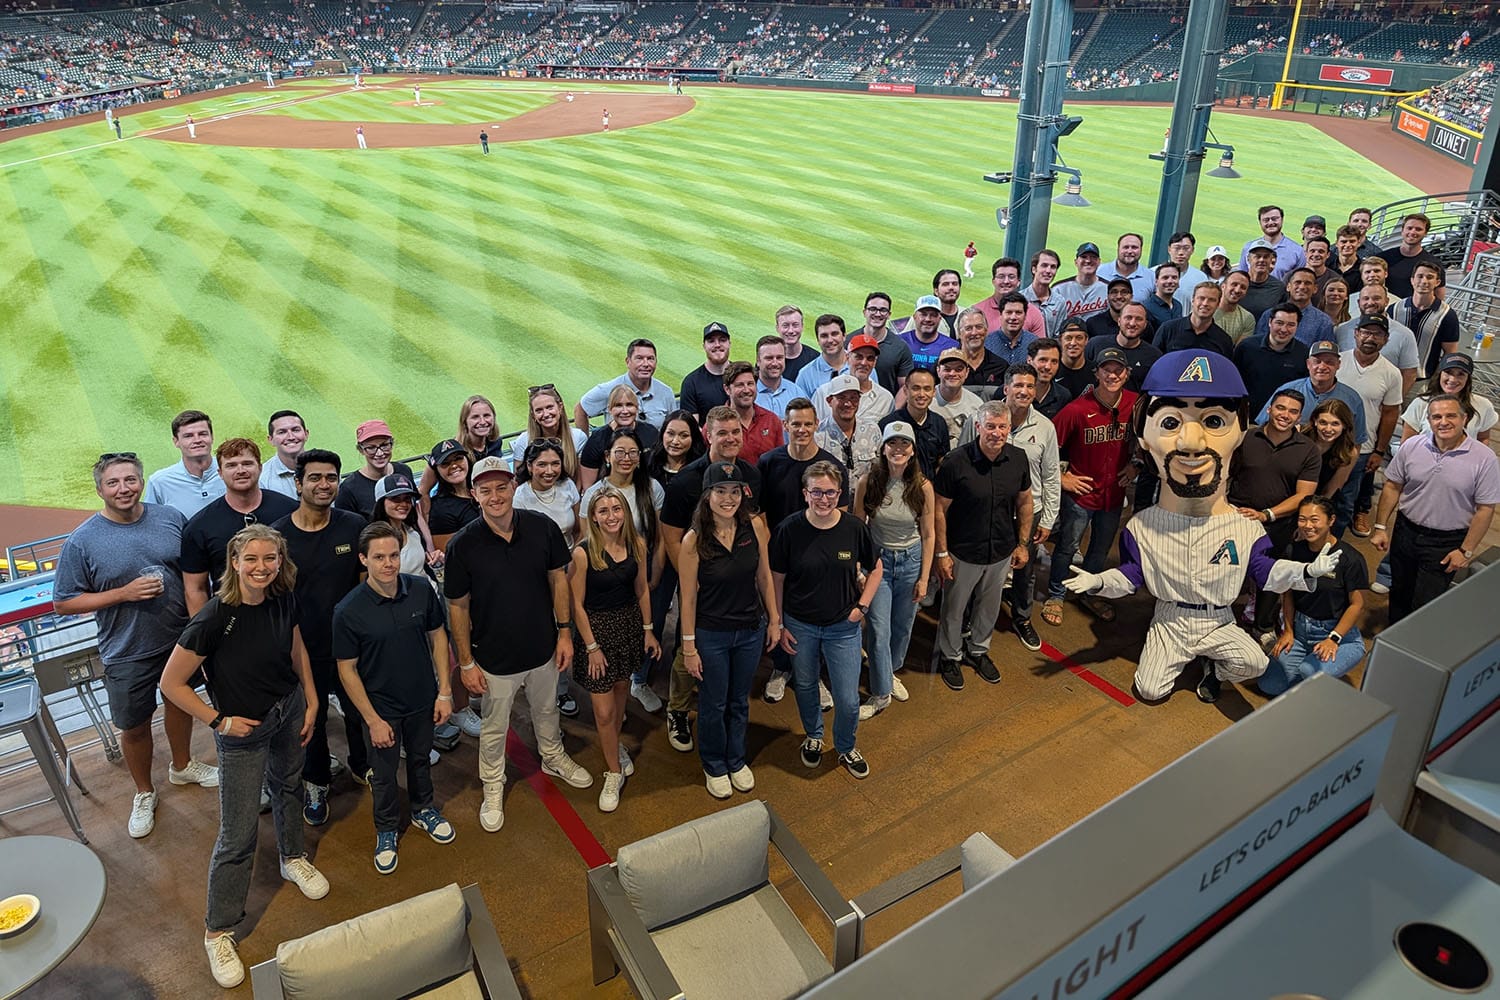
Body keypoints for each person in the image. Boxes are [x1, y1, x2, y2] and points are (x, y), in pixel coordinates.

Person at [1064, 351, 1343, 704]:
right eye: (1170, 422)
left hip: (1220, 620)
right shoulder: (1141, 526)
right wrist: (1099, 582)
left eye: (1213, 422)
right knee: (1150, 691)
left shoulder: (1245, 527)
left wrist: (1306, 571)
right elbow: (1132, 575)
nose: (1192, 443)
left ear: (1241, 433)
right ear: (1144, 437)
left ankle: (1215, 668)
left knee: (1254, 662)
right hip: (1170, 619)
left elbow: (1266, 572)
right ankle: (1182, 659)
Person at [159, 525, 327, 990]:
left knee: (290, 786)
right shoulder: (214, 616)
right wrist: (218, 722)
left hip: (287, 711)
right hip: (242, 733)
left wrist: (311, 699)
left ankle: (292, 857)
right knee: (238, 833)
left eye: (269, 558)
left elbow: (296, 647)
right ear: (234, 562)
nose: (261, 568)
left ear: (280, 560)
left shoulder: (283, 596)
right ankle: (218, 931)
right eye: (251, 559)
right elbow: (171, 684)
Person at [53, 452, 215, 841]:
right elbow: (63, 602)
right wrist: (122, 594)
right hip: (127, 649)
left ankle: (182, 764)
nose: (123, 489)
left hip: (178, 639)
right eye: (113, 483)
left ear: (141, 482)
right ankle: (144, 792)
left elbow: (193, 573)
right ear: (99, 489)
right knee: (134, 724)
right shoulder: (82, 541)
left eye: (130, 480)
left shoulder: (169, 518)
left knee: (180, 702)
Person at [446, 456, 594, 835]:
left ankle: (553, 757)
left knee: (547, 711)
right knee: (495, 729)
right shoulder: (463, 545)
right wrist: (465, 663)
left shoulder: (542, 528)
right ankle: (492, 785)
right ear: (475, 494)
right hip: (494, 657)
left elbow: (558, 581)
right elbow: (458, 607)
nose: (495, 496)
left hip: (543, 646)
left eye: (501, 486)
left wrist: (564, 634)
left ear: (514, 486)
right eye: (485, 489)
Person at [333, 522, 455, 874]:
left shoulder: (420, 590)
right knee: (384, 774)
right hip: (381, 709)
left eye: (394, 555)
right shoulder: (348, 611)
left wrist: (445, 692)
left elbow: (438, 638)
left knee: (420, 759)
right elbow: (347, 670)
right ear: (363, 559)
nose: (389, 563)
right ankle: (386, 829)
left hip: (422, 699)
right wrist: (372, 719)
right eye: (379, 557)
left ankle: (423, 810)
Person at [268, 449, 370, 825]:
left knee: (359, 710)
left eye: (331, 477)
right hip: (301, 651)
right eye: (314, 478)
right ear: (298, 484)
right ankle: (316, 781)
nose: (323, 484)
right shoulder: (278, 536)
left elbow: (365, 587)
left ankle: (363, 765)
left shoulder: (354, 525)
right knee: (310, 722)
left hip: (349, 647)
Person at [659, 407, 765, 748]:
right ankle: (677, 709)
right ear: (708, 434)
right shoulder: (687, 480)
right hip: (699, 580)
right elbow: (672, 537)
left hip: (735, 584)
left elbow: (757, 528)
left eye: (736, 432)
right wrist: (694, 579)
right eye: (723, 433)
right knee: (685, 650)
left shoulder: (750, 475)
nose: (730, 438)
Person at [771, 461, 881, 779]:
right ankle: (814, 737)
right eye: (816, 492)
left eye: (830, 492)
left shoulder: (853, 528)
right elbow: (776, 578)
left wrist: (862, 606)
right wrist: (778, 623)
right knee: (805, 685)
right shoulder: (789, 529)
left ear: (839, 494)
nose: (824, 499)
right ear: (805, 494)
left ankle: (845, 745)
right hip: (800, 624)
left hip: (842, 628)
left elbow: (876, 569)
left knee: (847, 699)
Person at [679, 463, 777, 797]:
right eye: (720, 491)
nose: (728, 498)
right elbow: (688, 598)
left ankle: (736, 760)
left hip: (749, 630)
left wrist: (774, 620)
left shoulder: (754, 525)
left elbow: (764, 577)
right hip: (712, 635)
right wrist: (689, 648)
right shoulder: (693, 540)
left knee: (739, 700)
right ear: (707, 495)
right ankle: (714, 764)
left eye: (734, 491)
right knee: (713, 703)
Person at [932, 397, 1034, 689]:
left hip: (1001, 551)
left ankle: (978, 651)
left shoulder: (1018, 459)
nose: (996, 433)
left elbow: (1025, 502)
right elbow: (939, 509)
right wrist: (942, 552)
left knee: (989, 607)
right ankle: (950, 657)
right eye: (990, 426)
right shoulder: (956, 462)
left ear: (1009, 428)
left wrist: (1022, 543)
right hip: (963, 552)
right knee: (954, 608)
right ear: (978, 427)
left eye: (1002, 427)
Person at [1371, 395, 1500, 623]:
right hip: (1406, 531)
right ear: (1429, 420)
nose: (1443, 422)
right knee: (1399, 591)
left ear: (1465, 419)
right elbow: (1392, 486)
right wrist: (1380, 526)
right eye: (1437, 416)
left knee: (1426, 602)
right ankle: (1393, 642)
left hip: (1446, 542)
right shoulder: (1412, 446)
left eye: (1451, 415)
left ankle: (1414, 649)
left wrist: (1466, 551)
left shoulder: (1485, 459)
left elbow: (1485, 509)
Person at [570, 486, 658, 812]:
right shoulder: (582, 553)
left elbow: (642, 592)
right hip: (597, 633)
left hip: (628, 627)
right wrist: (591, 647)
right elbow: (576, 605)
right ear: (593, 516)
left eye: (616, 509)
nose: (611, 516)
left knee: (621, 692)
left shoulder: (637, 545)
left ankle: (616, 745)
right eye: (604, 510)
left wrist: (648, 631)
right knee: (604, 711)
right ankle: (613, 771)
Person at [756, 398, 847, 705]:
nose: (802, 429)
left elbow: (841, 515)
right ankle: (782, 669)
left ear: (817, 424)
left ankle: (814, 675)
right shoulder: (769, 462)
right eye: (796, 424)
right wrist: (770, 552)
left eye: (808, 424)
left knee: (816, 614)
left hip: (817, 556)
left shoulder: (830, 466)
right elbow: (761, 513)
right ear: (785, 425)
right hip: (780, 556)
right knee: (780, 613)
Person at [1041, 349, 1136, 628]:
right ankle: (1056, 595)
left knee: (1100, 548)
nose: (1112, 375)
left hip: (1114, 493)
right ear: (1096, 374)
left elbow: (1147, 442)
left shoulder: (1136, 404)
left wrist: (1136, 466)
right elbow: (1046, 448)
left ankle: (1090, 590)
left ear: (1127, 374)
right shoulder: (1077, 409)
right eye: (1106, 369)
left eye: (1118, 370)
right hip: (1081, 494)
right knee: (1068, 547)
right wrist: (1061, 478)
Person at [1226, 389, 1322, 644]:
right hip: (1236, 518)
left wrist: (1266, 515)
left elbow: (1303, 495)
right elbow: (1226, 474)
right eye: (1280, 408)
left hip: (1277, 525)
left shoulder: (1308, 450)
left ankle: (1262, 626)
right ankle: (1218, 621)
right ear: (1269, 408)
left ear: (1300, 417)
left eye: (1293, 411)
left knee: (1269, 579)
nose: (1285, 415)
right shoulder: (1245, 437)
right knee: (1226, 572)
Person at [854, 423, 933, 719]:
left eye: (904, 444)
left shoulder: (923, 486)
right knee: (878, 628)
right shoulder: (869, 482)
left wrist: (924, 578)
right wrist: (858, 568)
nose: (898, 450)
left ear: (913, 450)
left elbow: (928, 534)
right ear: (883, 448)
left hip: (911, 561)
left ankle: (889, 671)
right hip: (880, 564)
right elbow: (858, 527)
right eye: (892, 444)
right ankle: (880, 692)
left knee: (902, 626)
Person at [1260, 496, 1369, 696]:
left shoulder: (1351, 559)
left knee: (1309, 671)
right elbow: (1288, 593)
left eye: (1314, 519)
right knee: (1269, 684)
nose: (1308, 525)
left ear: (1331, 520)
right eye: (1302, 519)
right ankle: (1309, 673)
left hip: (1334, 632)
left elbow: (1357, 605)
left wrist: (1333, 639)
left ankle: (1320, 672)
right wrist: (1288, 631)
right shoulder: (1294, 550)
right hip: (1301, 630)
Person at [182, 439, 299, 615]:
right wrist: (204, 635)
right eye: (231, 465)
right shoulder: (200, 526)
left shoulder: (290, 511)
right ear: (220, 473)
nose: (241, 471)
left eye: (247, 463)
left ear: (260, 467)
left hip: (288, 616)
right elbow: (195, 589)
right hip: (231, 621)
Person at [997, 364, 1060, 652]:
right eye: (1018, 385)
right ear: (1006, 387)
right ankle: (975, 617)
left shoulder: (1045, 427)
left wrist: (1047, 518)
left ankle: (1022, 618)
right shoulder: (990, 418)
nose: (1024, 391)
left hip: (1028, 513)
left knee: (1026, 569)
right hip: (992, 509)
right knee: (986, 567)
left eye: (1030, 386)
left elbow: (1051, 476)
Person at [1337, 315, 1403, 538]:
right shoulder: (1337, 361)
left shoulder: (1392, 373)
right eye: (1365, 332)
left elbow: (1390, 413)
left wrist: (1379, 451)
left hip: (1361, 447)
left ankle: (1334, 541)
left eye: (1377, 334)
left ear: (1386, 339)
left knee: (1347, 498)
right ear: (1355, 333)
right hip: (1326, 442)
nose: (1370, 338)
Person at [576, 339, 676, 431]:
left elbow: (673, 427)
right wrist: (585, 443)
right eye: (639, 358)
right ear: (628, 362)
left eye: (650, 359)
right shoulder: (609, 389)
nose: (646, 364)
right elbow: (580, 409)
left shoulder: (666, 393)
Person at [1336, 284, 1419, 393]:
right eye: (1366, 299)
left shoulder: (1404, 334)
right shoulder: (1341, 330)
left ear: (1386, 301)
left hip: (1383, 400)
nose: (1370, 303)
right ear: (1358, 302)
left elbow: (1410, 373)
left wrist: (1395, 400)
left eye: (1376, 298)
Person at [1387, 259, 1461, 380]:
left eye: (1430, 277)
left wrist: (1436, 381)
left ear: (1437, 282)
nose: (1424, 281)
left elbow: (1450, 353)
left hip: (1422, 379)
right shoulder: (1394, 309)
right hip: (1390, 375)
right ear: (1412, 280)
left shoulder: (1447, 315)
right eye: (1420, 276)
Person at [1400, 353, 1497, 445]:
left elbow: (1483, 438)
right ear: (1439, 374)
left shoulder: (1484, 405)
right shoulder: (1421, 403)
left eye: (1461, 374)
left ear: (1468, 379)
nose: (1453, 379)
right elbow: (1406, 442)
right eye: (1448, 372)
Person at [1234, 302, 1310, 417]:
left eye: (1291, 325)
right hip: (1246, 417)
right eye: (1279, 323)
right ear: (1270, 322)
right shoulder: (1247, 347)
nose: (1284, 329)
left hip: (1282, 419)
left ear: (1297, 326)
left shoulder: (1304, 353)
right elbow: (1234, 382)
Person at [145, 409, 224, 516]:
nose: (197, 440)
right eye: (188, 436)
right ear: (176, 441)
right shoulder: (159, 482)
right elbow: (152, 522)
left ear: (212, 437)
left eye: (203, 434)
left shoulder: (233, 471)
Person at [578, 385, 660, 489]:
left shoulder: (651, 433)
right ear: (610, 409)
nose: (625, 411)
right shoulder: (597, 439)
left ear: (637, 408)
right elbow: (588, 487)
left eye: (629, 405)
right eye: (618, 405)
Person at [334, 420, 418, 519]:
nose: (379, 453)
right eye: (371, 447)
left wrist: (426, 534)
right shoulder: (349, 488)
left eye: (384, 445)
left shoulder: (404, 470)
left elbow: (415, 511)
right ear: (361, 450)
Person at [880, 366, 950, 479]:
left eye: (927, 389)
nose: (922, 394)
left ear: (934, 392)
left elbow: (941, 462)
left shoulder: (939, 423)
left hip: (929, 490)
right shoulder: (888, 424)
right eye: (916, 388)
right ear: (905, 390)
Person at [370, 473, 441, 581]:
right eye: (396, 499)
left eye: (407, 499)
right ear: (381, 502)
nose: (403, 504)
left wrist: (435, 559)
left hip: (430, 592)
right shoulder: (377, 541)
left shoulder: (412, 530)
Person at [514, 438, 584, 548]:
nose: (550, 471)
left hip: (571, 555)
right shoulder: (519, 497)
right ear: (529, 466)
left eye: (555, 464)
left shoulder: (567, 485)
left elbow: (580, 530)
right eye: (542, 465)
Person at [512, 384, 589, 481]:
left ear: (560, 407)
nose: (546, 414)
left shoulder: (578, 437)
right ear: (533, 415)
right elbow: (518, 480)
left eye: (549, 407)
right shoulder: (523, 441)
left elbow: (580, 481)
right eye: (539, 410)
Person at [812, 333, 893, 425]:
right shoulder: (824, 392)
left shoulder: (885, 399)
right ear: (847, 358)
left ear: (875, 363)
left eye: (870, 358)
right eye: (858, 357)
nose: (863, 363)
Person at [814, 373, 882, 480]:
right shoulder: (817, 435)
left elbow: (880, 471)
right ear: (829, 401)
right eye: (842, 398)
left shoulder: (872, 431)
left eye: (853, 398)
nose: (848, 404)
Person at [1087, 301, 1161, 392]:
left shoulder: (1154, 355)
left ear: (1145, 324)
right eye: (1128, 318)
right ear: (1119, 321)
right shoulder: (1095, 344)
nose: (1132, 323)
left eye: (1139, 319)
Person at [1303, 399, 1361, 516]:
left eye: (1335, 424)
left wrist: (1312, 512)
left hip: (1318, 500)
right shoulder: (1301, 437)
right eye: (1323, 422)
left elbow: (1331, 490)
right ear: (1315, 421)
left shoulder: (1349, 452)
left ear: (1344, 425)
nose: (1328, 429)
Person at [722, 360, 785, 465]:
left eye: (750, 384)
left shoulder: (772, 421)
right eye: (740, 385)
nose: (746, 390)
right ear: (727, 389)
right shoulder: (715, 424)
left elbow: (780, 462)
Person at [854, 290, 914, 396]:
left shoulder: (900, 347)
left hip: (884, 408)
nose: (878, 314)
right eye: (872, 309)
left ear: (889, 314)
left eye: (883, 310)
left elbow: (905, 386)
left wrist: (892, 410)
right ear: (864, 312)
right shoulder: (850, 342)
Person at [1254, 268, 1333, 348]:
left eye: (1307, 283)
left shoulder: (1323, 322)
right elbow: (1258, 344)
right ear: (1288, 287)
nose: (1302, 287)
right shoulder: (1269, 314)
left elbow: (1324, 355)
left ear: (1315, 289)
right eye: (1297, 282)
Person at [975, 258, 1049, 338]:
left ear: (1018, 282)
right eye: (1001, 277)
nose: (1006, 281)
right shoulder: (978, 311)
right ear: (993, 281)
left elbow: (1040, 348)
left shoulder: (1034, 313)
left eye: (1011, 277)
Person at [1154, 282, 1231, 357]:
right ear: (1193, 300)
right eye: (1201, 298)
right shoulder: (1168, 329)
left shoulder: (1224, 340)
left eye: (1211, 300)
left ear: (1218, 304)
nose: (1205, 303)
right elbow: (1154, 362)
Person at [427, 439, 480, 547]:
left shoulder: (482, 488)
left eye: (458, 459)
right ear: (437, 471)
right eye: (445, 463)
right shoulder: (440, 509)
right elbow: (449, 553)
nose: (454, 465)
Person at [1379, 212, 1443, 299]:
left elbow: (1439, 296)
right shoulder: (1383, 258)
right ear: (1402, 231)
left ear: (1425, 233)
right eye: (1409, 228)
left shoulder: (1434, 264)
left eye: (1418, 229)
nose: (1412, 232)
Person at [679, 322, 733, 422]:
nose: (717, 345)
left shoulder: (743, 376)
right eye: (711, 341)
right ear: (704, 346)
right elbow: (692, 427)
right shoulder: (691, 383)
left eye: (722, 340)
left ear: (729, 343)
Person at [930, 347, 985, 446]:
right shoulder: (926, 400)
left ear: (967, 372)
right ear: (938, 371)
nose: (952, 374)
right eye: (947, 369)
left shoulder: (977, 404)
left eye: (958, 369)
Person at [1049, 242, 1110, 329]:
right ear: (1076, 262)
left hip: (1098, 339)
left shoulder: (1108, 288)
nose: (1088, 261)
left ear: (1099, 262)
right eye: (1084, 257)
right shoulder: (1059, 289)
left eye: (1093, 257)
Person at [1239, 204, 1306, 280]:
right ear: (1260, 222)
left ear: (1282, 219)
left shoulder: (1296, 250)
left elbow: (1299, 280)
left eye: (1274, 219)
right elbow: (1241, 277)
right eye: (1266, 220)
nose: (1270, 223)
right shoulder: (1248, 247)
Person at [793, 313, 851, 398]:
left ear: (844, 336)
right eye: (824, 336)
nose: (830, 340)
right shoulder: (806, 375)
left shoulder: (863, 367)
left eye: (834, 334)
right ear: (818, 340)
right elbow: (800, 409)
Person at [899, 293, 960, 370]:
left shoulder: (951, 346)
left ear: (940, 318)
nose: (928, 319)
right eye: (923, 314)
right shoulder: (899, 342)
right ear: (914, 317)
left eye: (933, 315)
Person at [258, 410, 308, 500]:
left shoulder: (326, 467)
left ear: (306, 434)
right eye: (282, 432)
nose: (291, 437)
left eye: (295, 430)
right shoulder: (262, 479)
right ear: (271, 440)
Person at [983, 292, 1039, 368]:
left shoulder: (1035, 343)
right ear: (1000, 315)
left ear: (1025, 316)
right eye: (1009, 312)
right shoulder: (987, 343)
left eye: (1018, 313)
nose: (1013, 317)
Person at [1157, 231, 1211, 309]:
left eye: (1186, 248)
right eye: (1177, 248)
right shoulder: (1153, 273)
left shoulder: (1200, 278)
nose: (1181, 253)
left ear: (1192, 250)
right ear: (1169, 249)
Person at [1027, 337, 1072, 421]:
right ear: (1029, 360)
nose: (1048, 367)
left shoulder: (1063, 396)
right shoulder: (1011, 391)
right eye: (1043, 360)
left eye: (1054, 362)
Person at [1099, 233, 1152, 301]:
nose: (1130, 251)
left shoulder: (1151, 277)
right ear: (1118, 249)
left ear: (1141, 249)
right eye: (1126, 247)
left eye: (1134, 247)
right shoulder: (1099, 272)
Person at [1239, 244, 1287, 319]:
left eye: (1266, 257)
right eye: (1257, 256)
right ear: (1248, 259)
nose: (1261, 260)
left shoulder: (1279, 287)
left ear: (1271, 260)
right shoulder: (1237, 282)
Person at [754, 335, 796, 419]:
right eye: (769, 358)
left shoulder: (796, 393)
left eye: (779, 358)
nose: (775, 363)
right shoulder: (748, 394)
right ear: (758, 361)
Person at [1053, 320, 1095, 401]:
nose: (1073, 343)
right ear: (1060, 340)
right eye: (1068, 338)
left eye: (1079, 338)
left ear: (1086, 340)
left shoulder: (1096, 372)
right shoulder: (1051, 370)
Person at [1084, 277, 1135, 342]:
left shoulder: (1140, 324)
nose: (1119, 296)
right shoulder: (1093, 323)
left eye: (1124, 292)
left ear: (1131, 296)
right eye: (1114, 292)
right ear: (1107, 296)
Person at [775, 305, 816, 383]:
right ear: (777, 328)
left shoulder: (814, 359)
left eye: (795, 325)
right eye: (785, 326)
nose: (790, 330)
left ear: (802, 327)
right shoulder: (768, 361)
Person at [1215, 270, 1256, 345]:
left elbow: (1238, 351)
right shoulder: (1206, 309)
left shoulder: (1247, 319)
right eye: (1234, 284)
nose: (1237, 290)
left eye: (1243, 287)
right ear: (1223, 286)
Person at [1141, 262, 1183, 329]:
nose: (1170, 281)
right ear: (1156, 281)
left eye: (1174, 277)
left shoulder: (1178, 306)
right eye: (1165, 278)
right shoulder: (1146, 307)